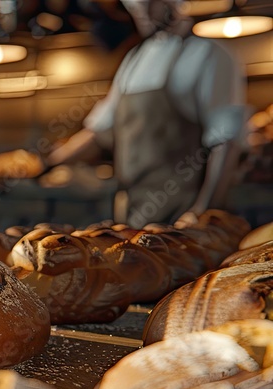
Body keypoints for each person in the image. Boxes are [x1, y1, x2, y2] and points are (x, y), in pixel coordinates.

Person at [46, 0, 247, 228]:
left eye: (149, 3)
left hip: (185, 222)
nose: (140, 12)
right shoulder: (134, 59)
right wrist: (46, 164)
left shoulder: (209, 54)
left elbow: (226, 140)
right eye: (132, 5)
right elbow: (99, 131)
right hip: (133, 218)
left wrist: (202, 211)